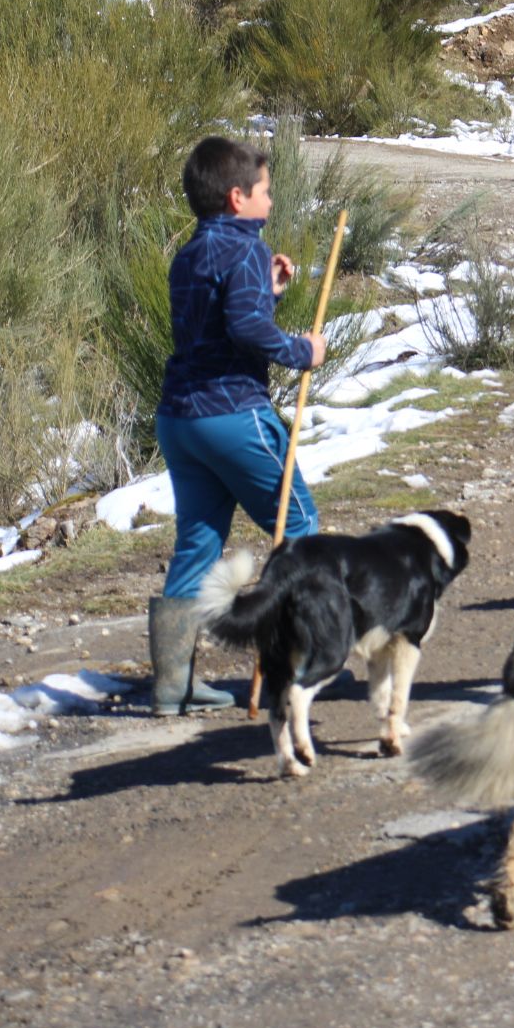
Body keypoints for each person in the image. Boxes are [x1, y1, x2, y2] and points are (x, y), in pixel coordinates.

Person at [149, 136, 327, 714]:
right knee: (298, 525)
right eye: (265, 191)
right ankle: (293, 667)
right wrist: (303, 350)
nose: (271, 201)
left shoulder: (189, 255)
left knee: (198, 544)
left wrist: (266, 293)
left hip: (180, 419)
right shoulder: (247, 250)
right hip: (232, 414)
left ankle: (171, 689)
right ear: (236, 197)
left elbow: (224, 322)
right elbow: (248, 330)